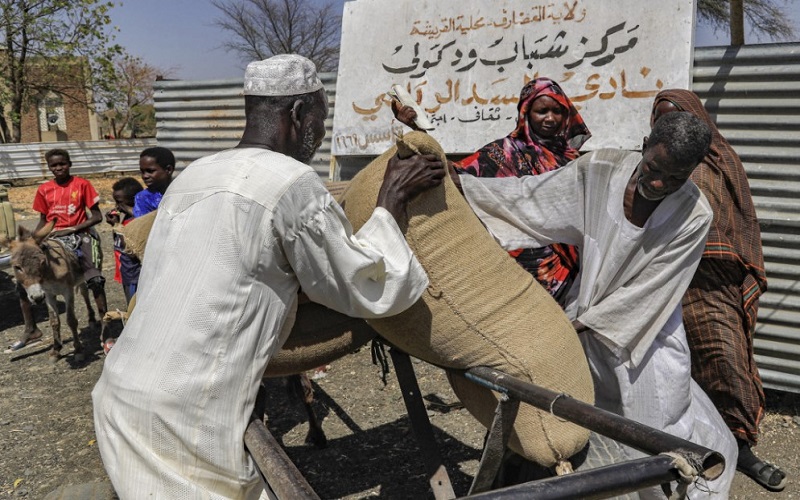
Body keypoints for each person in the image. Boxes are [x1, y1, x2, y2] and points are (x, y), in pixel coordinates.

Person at [92, 54, 445, 499]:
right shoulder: (291, 181)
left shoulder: (194, 174)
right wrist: (390, 199)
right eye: (320, 116)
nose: (319, 133)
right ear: (299, 114)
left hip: (120, 389)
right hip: (186, 415)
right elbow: (364, 284)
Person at [458, 112, 737, 497]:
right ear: (643, 145)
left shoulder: (694, 214)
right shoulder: (601, 171)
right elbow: (530, 198)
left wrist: (574, 328)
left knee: (659, 427)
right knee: (573, 415)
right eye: (654, 168)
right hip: (585, 311)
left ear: (692, 171)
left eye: (675, 178)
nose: (659, 184)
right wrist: (463, 187)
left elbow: (650, 291)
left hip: (648, 328)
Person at [651, 89, 784, 492]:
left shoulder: (721, 162)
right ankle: (683, 449)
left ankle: (740, 448)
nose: (665, 124)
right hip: (666, 283)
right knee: (671, 370)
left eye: (674, 116)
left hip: (714, 286)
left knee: (726, 361)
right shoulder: (650, 165)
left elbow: (738, 223)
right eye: (660, 118)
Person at [394, 77, 591, 305]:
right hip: (519, 273)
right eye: (542, 111)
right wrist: (417, 129)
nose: (550, 118)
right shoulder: (503, 153)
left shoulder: (572, 161)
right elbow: (454, 177)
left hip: (573, 274)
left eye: (557, 111)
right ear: (526, 113)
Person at [34, 149, 107, 326]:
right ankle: (31, 329)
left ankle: (106, 323)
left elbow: (97, 217)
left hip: (81, 235)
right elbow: (43, 220)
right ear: (49, 167)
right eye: (54, 165)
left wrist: (71, 229)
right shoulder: (44, 190)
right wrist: (32, 240)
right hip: (53, 236)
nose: (59, 168)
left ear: (70, 164)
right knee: (29, 274)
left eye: (62, 164)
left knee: (95, 279)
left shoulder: (82, 185)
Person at [105, 177, 143, 306]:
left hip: (135, 277)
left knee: (135, 309)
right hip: (126, 275)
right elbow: (118, 244)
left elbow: (131, 249)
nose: (116, 206)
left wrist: (116, 225)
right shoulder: (126, 219)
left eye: (119, 202)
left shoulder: (137, 221)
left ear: (132, 200)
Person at [133, 146, 175, 217]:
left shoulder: (182, 192)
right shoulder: (143, 198)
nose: (145, 176)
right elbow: (143, 224)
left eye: (150, 171)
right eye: (142, 172)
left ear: (168, 170)